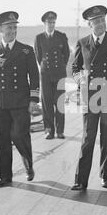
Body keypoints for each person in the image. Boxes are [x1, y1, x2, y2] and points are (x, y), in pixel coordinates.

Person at [0, 11, 40, 187]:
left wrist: (34, 99)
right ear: (0, 30)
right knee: (2, 138)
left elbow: (34, 76)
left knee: (19, 135)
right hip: (1, 101)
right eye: (9, 28)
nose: (12, 31)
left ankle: (28, 165)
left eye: (14, 27)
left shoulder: (26, 50)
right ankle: (5, 177)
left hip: (21, 101)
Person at [71, 5, 107, 190]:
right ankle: (80, 181)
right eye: (96, 21)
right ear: (89, 24)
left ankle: (106, 176)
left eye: (102, 20)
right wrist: (81, 80)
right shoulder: (82, 42)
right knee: (88, 139)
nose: (100, 24)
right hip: (91, 98)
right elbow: (74, 68)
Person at [34, 11, 70, 140]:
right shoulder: (39, 38)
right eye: (49, 22)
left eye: (53, 22)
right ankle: (49, 131)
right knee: (46, 103)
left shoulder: (61, 36)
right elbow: (39, 57)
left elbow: (66, 54)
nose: (51, 25)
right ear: (44, 23)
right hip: (45, 75)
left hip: (59, 73)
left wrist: (60, 66)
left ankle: (60, 131)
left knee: (59, 103)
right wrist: (45, 67)